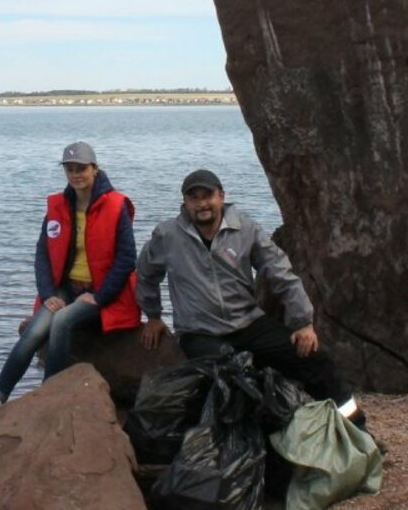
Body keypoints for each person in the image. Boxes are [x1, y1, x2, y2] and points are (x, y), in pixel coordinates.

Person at [136, 169, 364, 426]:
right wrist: (153, 315)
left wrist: (302, 322)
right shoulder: (167, 236)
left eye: (208, 195)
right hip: (200, 332)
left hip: (249, 324)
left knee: (315, 360)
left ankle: (358, 432)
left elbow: (281, 274)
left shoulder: (246, 229)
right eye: (194, 198)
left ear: (221, 196)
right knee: (233, 375)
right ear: (185, 203)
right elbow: (146, 273)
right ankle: (264, 446)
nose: (202, 204)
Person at [0, 141, 140, 426]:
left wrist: (100, 297)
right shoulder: (58, 207)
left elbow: (127, 258)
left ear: (95, 169)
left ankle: (48, 397)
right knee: (35, 331)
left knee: (62, 321)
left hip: (102, 293)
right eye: (70, 169)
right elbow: (42, 254)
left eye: (81, 168)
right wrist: (49, 293)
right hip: (66, 289)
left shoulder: (115, 205)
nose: (76, 174)